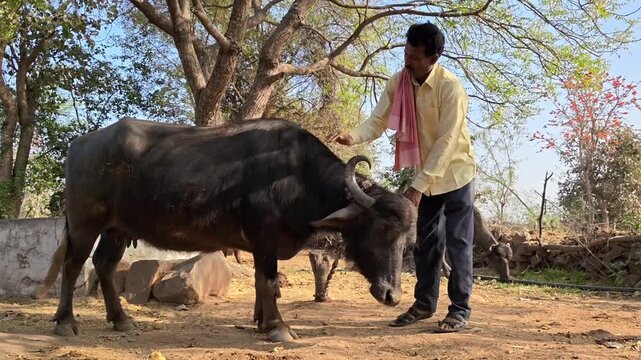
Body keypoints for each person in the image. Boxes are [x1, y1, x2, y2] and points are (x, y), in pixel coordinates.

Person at [330, 22, 476, 332]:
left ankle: (460, 310)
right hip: (425, 176)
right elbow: (378, 120)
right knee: (424, 243)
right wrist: (351, 137)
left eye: (415, 57)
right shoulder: (400, 82)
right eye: (406, 54)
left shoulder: (451, 88)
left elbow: (446, 144)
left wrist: (417, 187)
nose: (407, 61)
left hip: (456, 173)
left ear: (433, 57)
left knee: (458, 243)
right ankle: (424, 305)